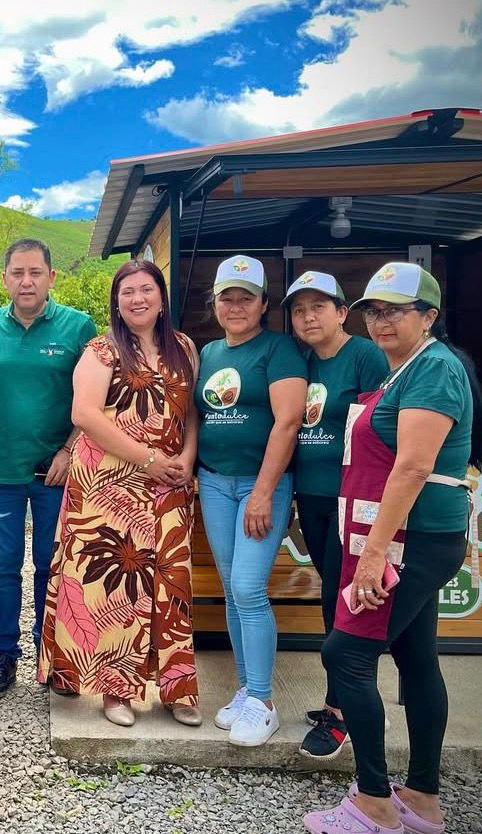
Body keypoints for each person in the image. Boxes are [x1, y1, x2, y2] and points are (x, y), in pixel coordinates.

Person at [305, 263, 482, 834]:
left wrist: (372, 556)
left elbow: (412, 467)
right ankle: (422, 799)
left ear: (429, 316)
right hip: (406, 538)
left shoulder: (433, 369)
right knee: (415, 658)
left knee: (346, 655)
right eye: (373, 310)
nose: (380, 321)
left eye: (395, 310)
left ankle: (374, 803)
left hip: (410, 541)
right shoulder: (406, 370)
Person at [37, 260, 202, 728]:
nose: (137, 299)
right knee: (115, 584)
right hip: (108, 483)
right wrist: (148, 460)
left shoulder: (184, 347)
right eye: (127, 292)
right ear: (116, 302)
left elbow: (191, 411)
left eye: (146, 289)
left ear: (162, 297)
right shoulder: (102, 350)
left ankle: (177, 688)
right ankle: (115, 690)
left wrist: (187, 457)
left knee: (171, 583)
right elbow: (85, 415)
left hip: (169, 482)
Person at [0, 238, 97, 697]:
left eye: (35, 272)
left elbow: (95, 398)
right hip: (0, 468)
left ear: (51, 277)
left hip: (54, 472)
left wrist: (69, 450)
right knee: (5, 565)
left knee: (50, 563)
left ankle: (51, 654)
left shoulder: (78, 327)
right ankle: (3, 655)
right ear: (4, 279)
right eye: (17, 273)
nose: (26, 281)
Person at [196, 254, 307, 747]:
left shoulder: (279, 349)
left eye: (247, 298)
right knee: (231, 588)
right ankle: (246, 689)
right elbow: (198, 416)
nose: (236, 306)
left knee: (248, 587)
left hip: (261, 486)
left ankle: (263, 702)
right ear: (215, 303)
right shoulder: (209, 353)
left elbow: (288, 421)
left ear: (264, 304)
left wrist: (263, 491)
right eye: (227, 298)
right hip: (215, 482)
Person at [283, 271, 389, 759]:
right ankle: (341, 696)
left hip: (351, 500)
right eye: (299, 309)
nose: (308, 317)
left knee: (338, 600)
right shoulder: (302, 360)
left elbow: (379, 430)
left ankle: (340, 710)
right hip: (312, 496)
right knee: (334, 593)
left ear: (343, 312)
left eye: (318, 307)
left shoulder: (365, 356)